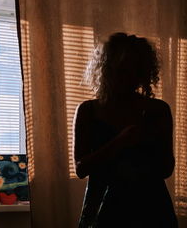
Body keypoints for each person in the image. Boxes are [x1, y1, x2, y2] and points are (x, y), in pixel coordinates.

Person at [74, 33, 178, 228]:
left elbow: (166, 169)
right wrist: (119, 142)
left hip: (151, 209)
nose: (128, 77)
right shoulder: (88, 110)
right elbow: (81, 168)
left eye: (135, 70)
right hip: (102, 210)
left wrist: (151, 139)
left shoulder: (158, 110)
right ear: (106, 70)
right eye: (121, 70)